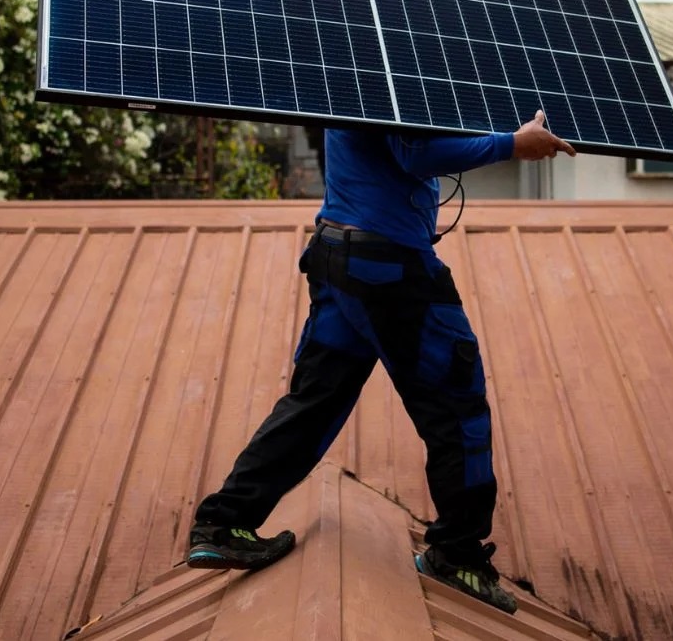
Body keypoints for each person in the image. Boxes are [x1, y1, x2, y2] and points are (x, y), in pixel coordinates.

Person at [186, 111, 575, 614]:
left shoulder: (360, 48)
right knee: (460, 408)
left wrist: (509, 133)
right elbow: (415, 153)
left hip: (337, 256)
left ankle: (223, 522)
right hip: (389, 271)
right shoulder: (391, 51)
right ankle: (457, 556)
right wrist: (510, 145)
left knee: (315, 402)